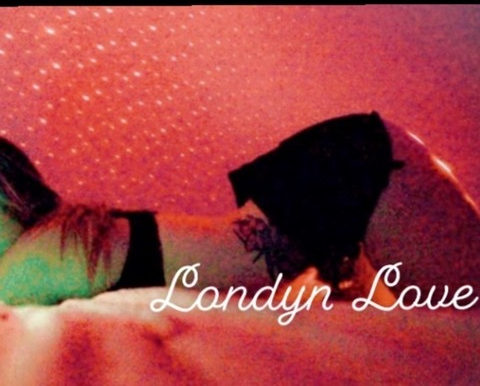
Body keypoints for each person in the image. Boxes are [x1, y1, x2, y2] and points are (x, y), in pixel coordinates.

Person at [3, 111, 477, 307]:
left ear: (9, 196)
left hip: (348, 163)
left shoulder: (41, 254)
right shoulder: (56, 244)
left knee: (465, 324)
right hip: (335, 170)